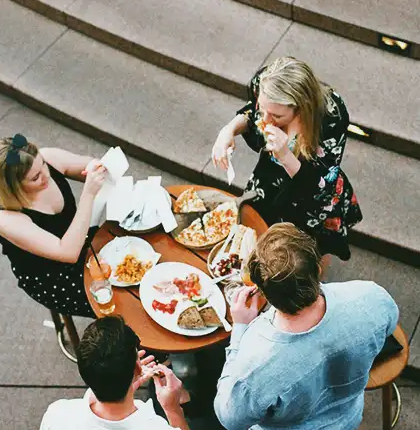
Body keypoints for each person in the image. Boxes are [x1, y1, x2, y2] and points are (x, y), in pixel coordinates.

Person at [214, 223, 399, 430]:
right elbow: (389, 326)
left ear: (263, 293)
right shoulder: (369, 296)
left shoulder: (255, 362)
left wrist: (240, 328)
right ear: (318, 269)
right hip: (348, 419)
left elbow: (229, 418)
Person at [212, 57, 362, 262]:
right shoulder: (265, 83)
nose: (264, 121)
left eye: (276, 116)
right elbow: (252, 112)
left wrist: (285, 156)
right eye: (263, 110)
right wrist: (228, 129)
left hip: (311, 196)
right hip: (270, 181)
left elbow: (319, 184)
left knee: (301, 256)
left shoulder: (331, 117)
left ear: (302, 108)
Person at [0, 133, 108, 318]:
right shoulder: (4, 216)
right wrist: (89, 194)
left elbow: (91, 164)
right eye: (35, 178)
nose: (46, 175)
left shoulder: (44, 160)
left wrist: (95, 167)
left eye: (43, 164)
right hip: (54, 277)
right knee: (117, 300)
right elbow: (67, 253)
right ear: (13, 187)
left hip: (79, 236)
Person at [40, 316, 191, 429]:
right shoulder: (157, 427)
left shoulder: (57, 414)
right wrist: (173, 409)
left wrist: (118, 379)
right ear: (138, 368)